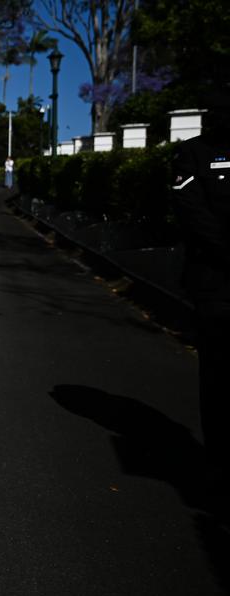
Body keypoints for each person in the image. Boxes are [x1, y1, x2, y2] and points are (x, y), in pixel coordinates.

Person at [172, 94, 230, 488]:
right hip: (216, 281)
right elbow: (191, 212)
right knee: (218, 371)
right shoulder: (194, 154)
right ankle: (219, 457)